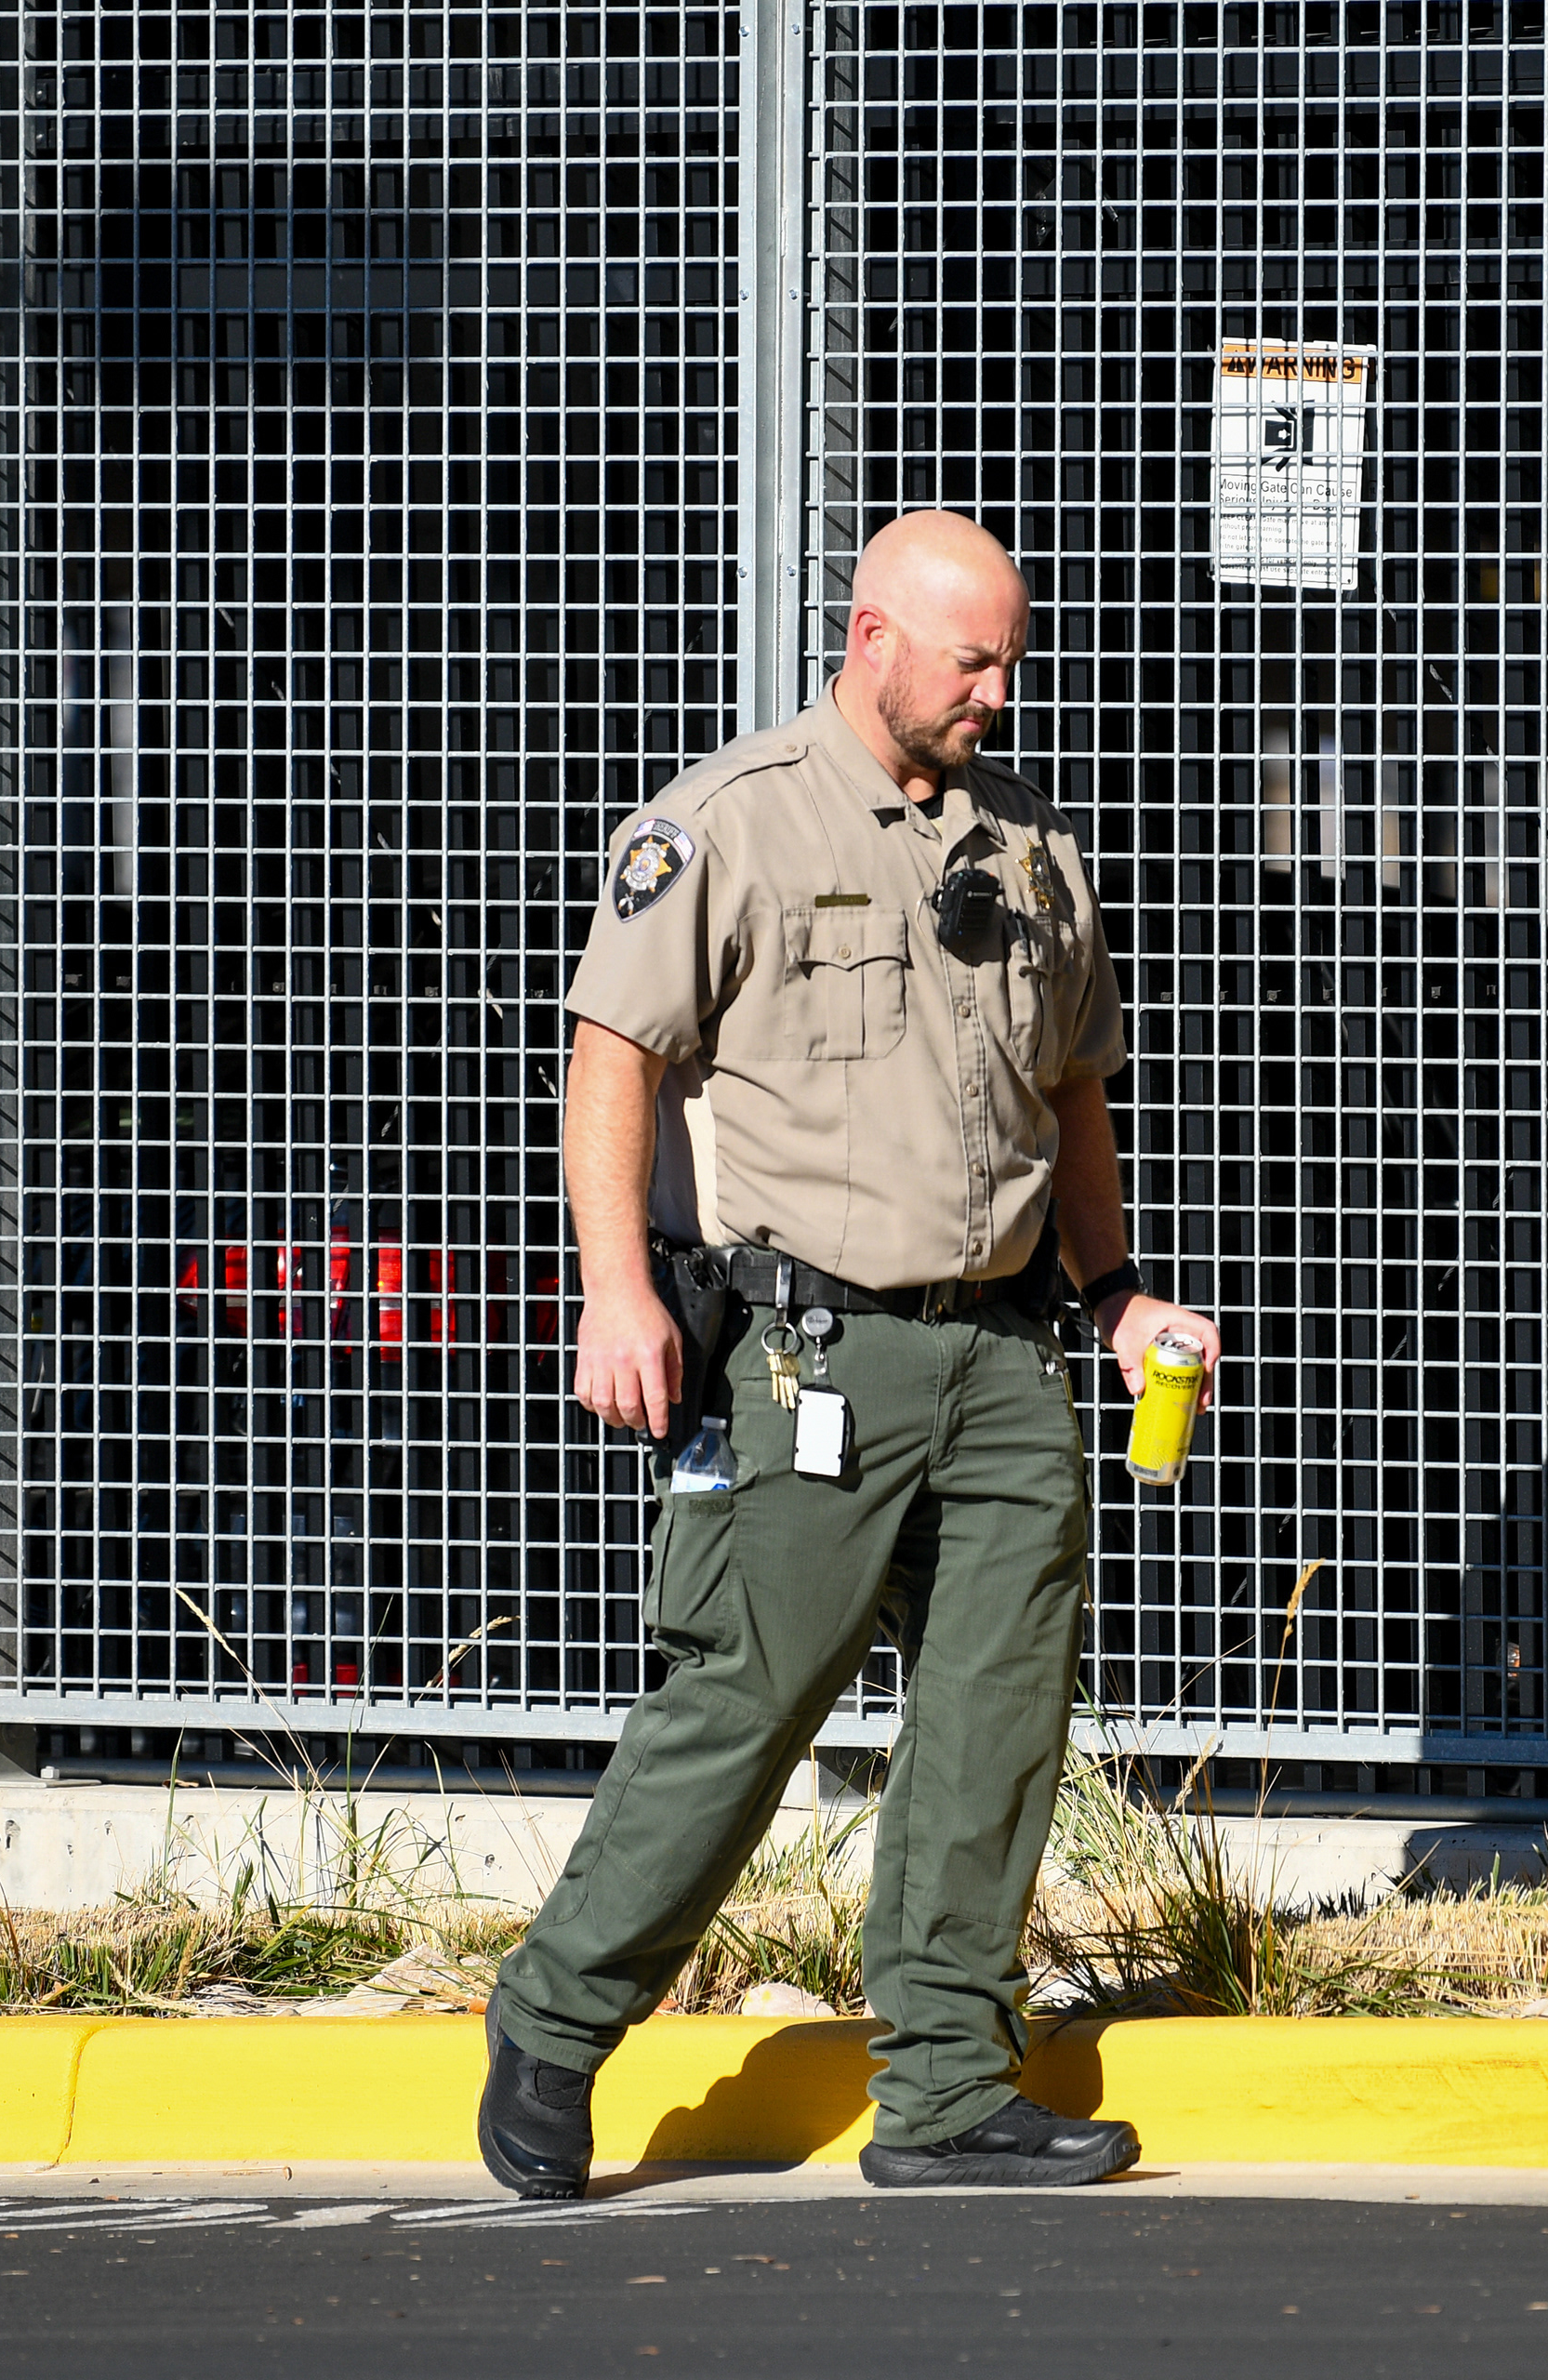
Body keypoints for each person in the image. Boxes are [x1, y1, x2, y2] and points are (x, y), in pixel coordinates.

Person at [479, 509, 1224, 2197]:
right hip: (809, 1355)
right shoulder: (732, 822)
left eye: (1010, 663)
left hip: (1006, 1356)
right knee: (746, 1700)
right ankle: (555, 2016)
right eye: (971, 662)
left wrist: (1116, 1295)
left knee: (995, 1717)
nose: (997, 694)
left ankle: (947, 2091)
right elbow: (612, 1056)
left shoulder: (1031, 845)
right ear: (872, 636)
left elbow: (1070, 1095)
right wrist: (616, 1290)